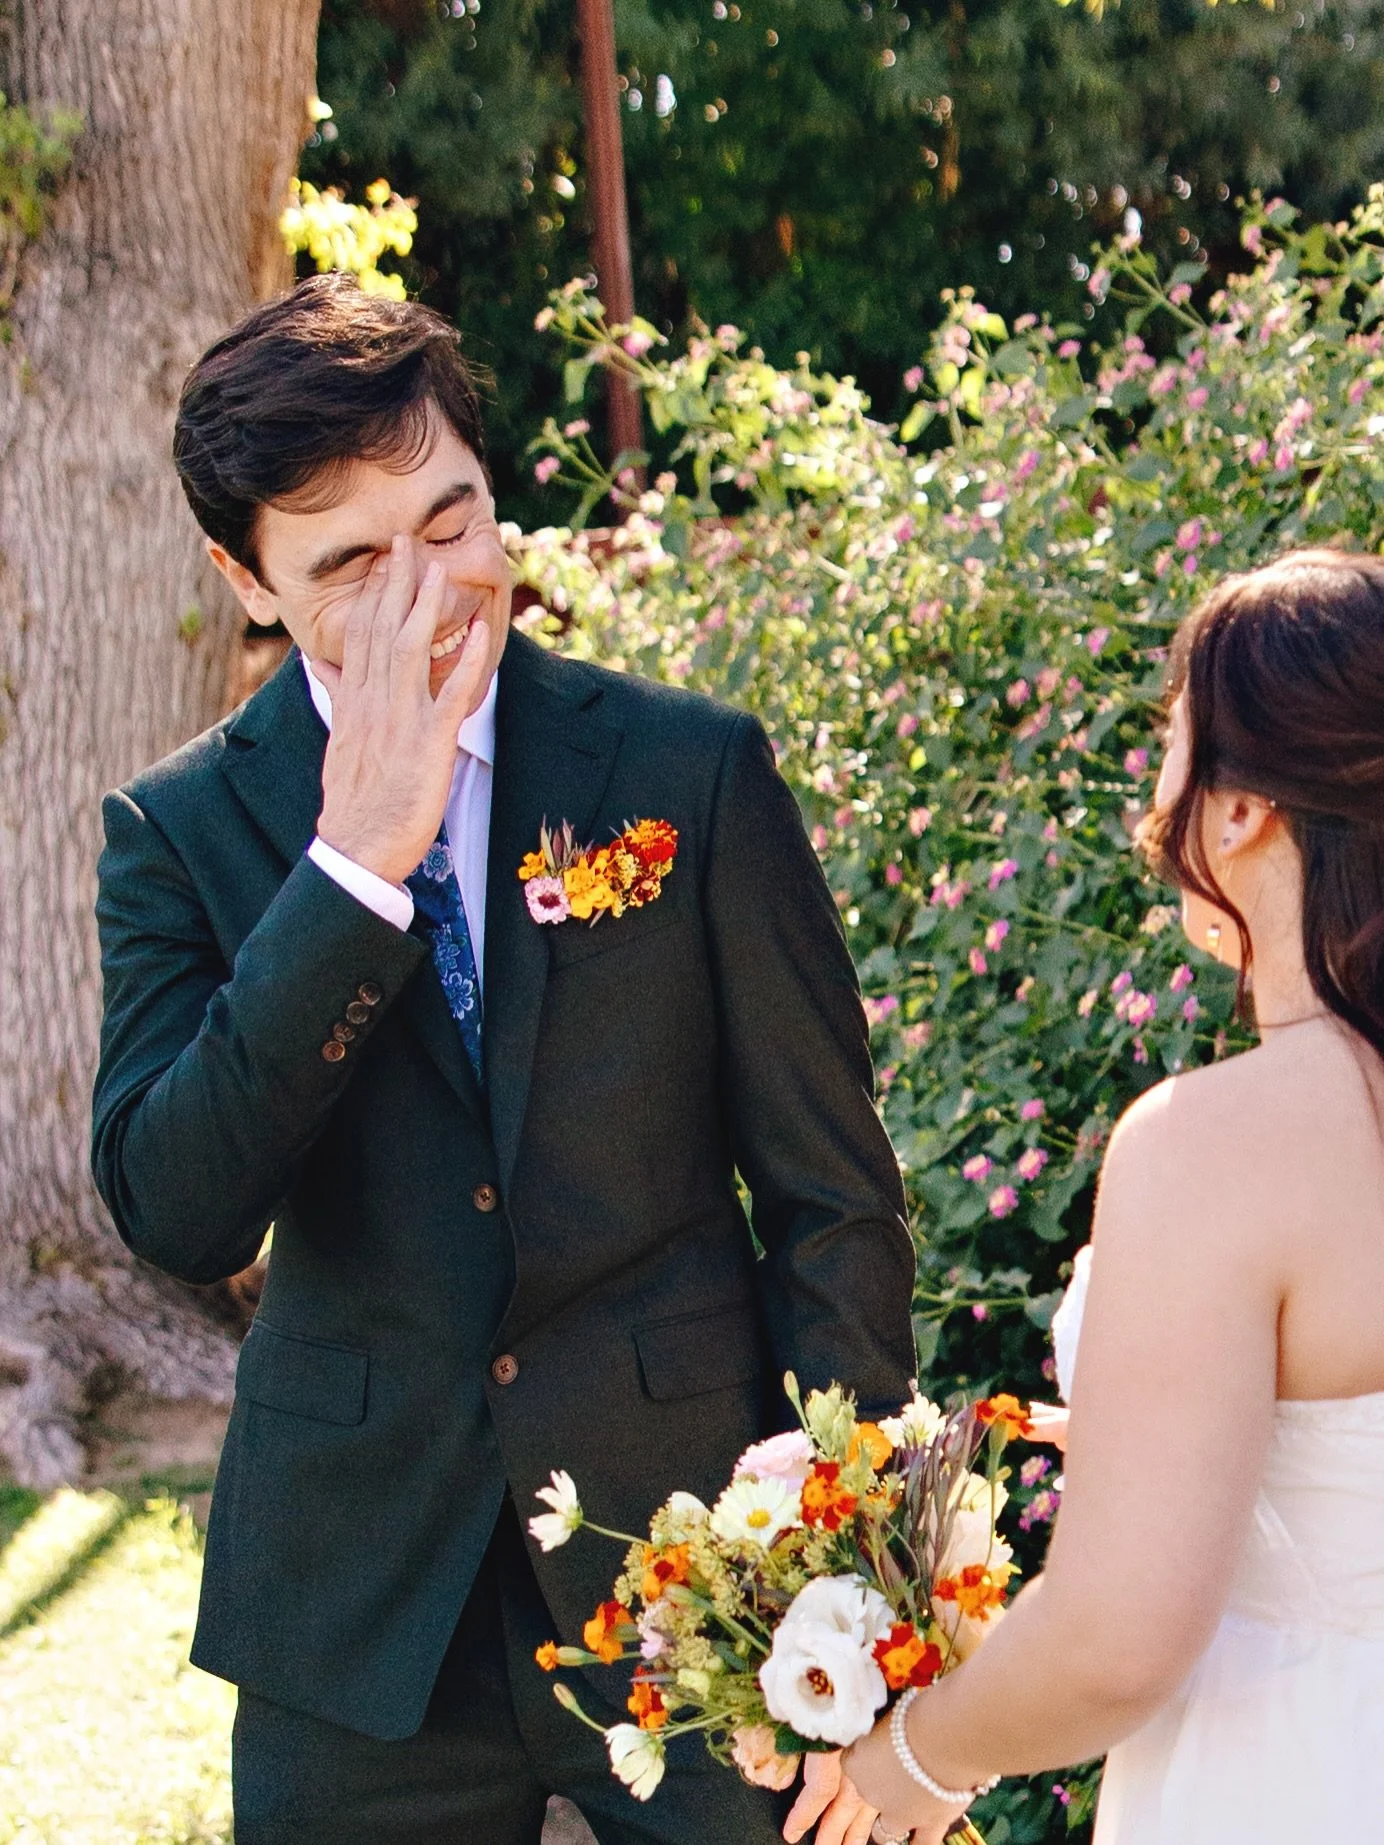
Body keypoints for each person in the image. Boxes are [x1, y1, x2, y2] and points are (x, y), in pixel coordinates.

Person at [90, 274, 917, 1845]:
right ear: (244, 578)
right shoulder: (179, 833)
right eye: (349, 562)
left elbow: (836, 1207)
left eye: (452, 521)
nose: (430, 593)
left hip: (698, 1580)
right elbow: (178, 1210)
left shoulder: (690, 768)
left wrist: (846, 1585)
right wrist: (351, 874)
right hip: (355, 1607)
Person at [844, 548, 1384, 1844]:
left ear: (1240, 804)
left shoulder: (1221, 1142)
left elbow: (1114, 1642)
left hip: (1294, 1780)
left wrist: (909, 1762)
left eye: (1175, 741)